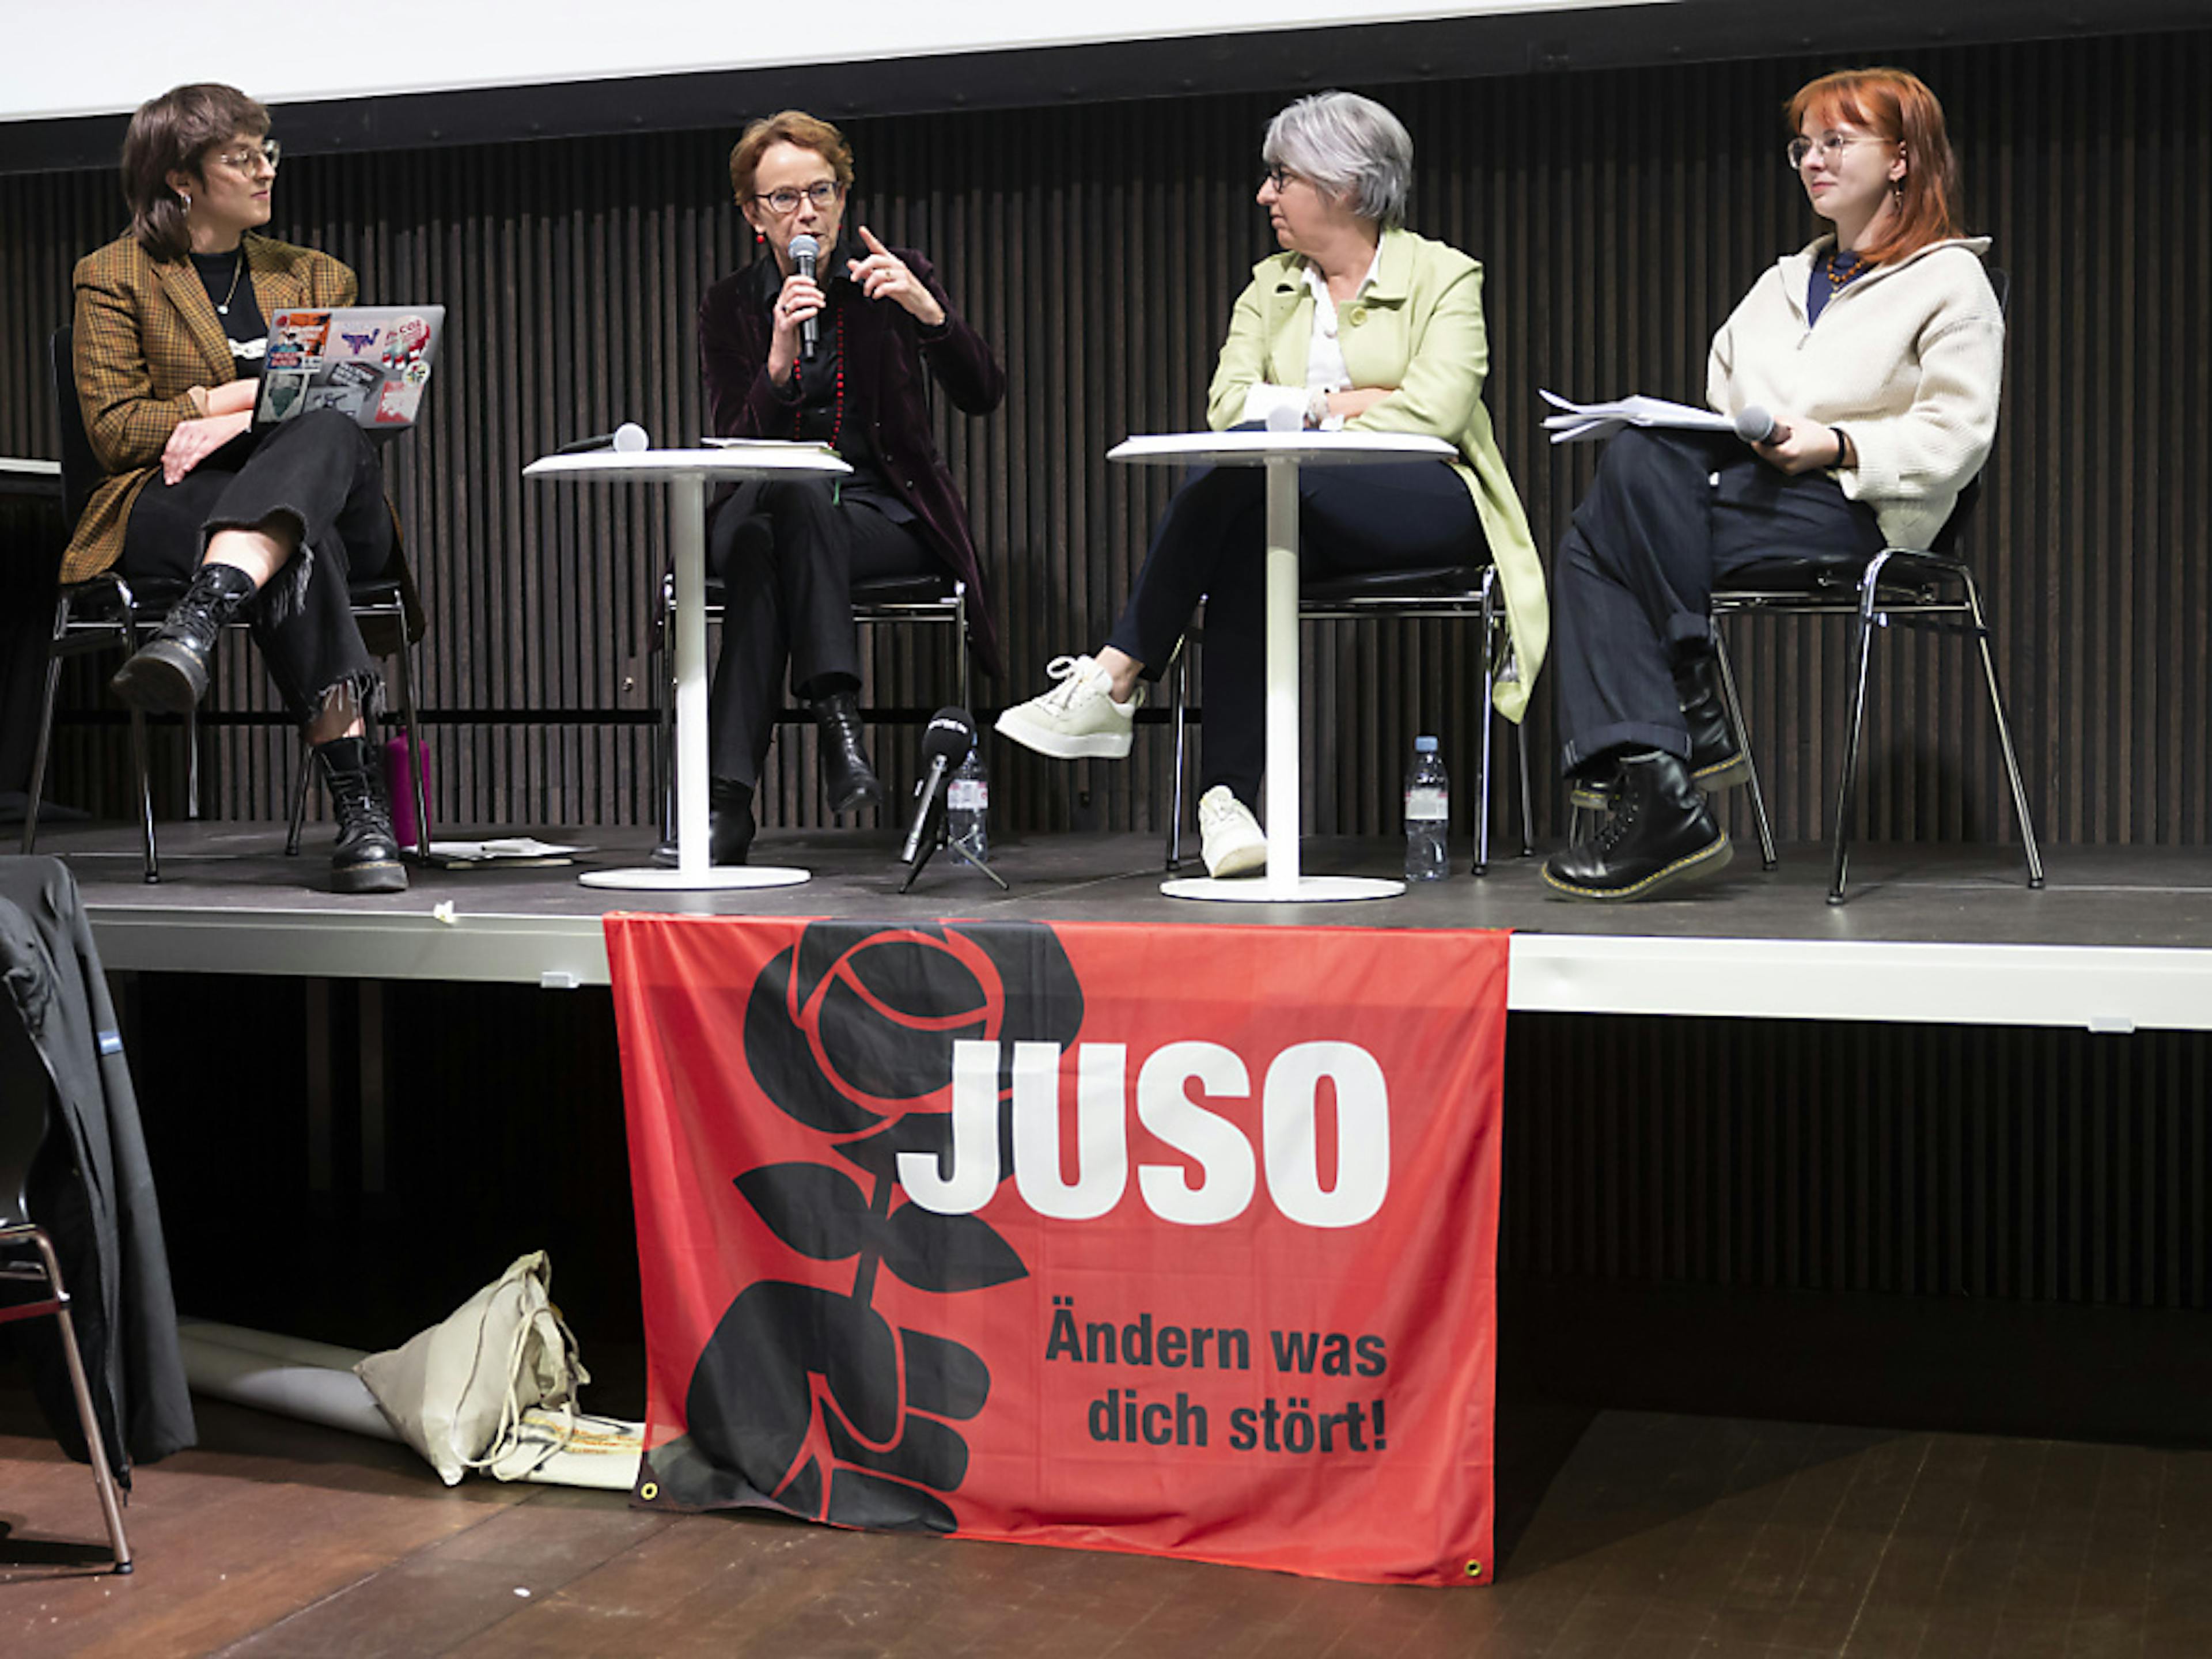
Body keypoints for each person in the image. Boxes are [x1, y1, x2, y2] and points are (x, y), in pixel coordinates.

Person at [994, 90, 1546, 878]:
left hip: (1427, 504)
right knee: (1249, 527)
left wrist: (1301, 413)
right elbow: (1227, 407)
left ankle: (1116, 677)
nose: (1265, 196)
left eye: (1281, 177)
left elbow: (1438, 411)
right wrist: (1345, 405)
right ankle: (1226, 806)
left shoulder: (1443, 275)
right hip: (1296, 506)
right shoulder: (1269, 286)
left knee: (1253, 467)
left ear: (1344, 186)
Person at [1542, 67, 2003, 902]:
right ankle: (1676, 747)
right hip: (1754, 495)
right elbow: (1722, 406)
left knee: (1593, 543)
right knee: (1636, 466)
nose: (1812, 161)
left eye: (1836, 142)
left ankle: (1674, 751)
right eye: (1803, 145)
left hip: (1862, 513)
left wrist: (1834, 442)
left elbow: (1957, 437)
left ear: (1901, 159)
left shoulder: (1950, 281)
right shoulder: (1781, 284)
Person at [72, 83, 414, 895]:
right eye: (242, 157)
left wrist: (228, 414)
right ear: (183, 180)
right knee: (300, 545)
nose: (266, 170)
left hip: (329, 479)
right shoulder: (115, 276)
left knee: (326, 426)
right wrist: (238, 398)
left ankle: (202, 617)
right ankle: (359, 805)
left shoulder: (316, 276)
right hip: (173, 500)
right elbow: (118, 432)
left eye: (269, 152)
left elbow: (366, 401)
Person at [695, 110, 1005, 863]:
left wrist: (928, 312)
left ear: (842, 196)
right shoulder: (731, 305)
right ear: (752, 216)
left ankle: (727, 804)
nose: (807, 213)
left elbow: (984, 391)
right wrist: (774, 363)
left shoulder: (890, 278)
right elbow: (735, 444)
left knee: (780, 535)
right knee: (788, 503)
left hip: (880, 511)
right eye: (784, 199)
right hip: (762, 503)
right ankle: (838, 722)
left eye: (822, 192)